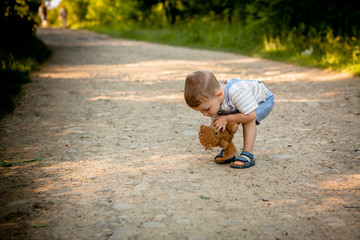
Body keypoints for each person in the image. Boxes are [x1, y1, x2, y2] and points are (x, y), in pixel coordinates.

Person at [184, 70, 274, 169]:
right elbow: (218, 127)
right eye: (200, 111)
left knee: (247, 120)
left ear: (218, 95)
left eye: (206, 109)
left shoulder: (236, 92)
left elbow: (250, 115)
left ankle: (248, 153)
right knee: (222, 121)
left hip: (263, 101)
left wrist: (227, 118)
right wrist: (213, 139)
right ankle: (229, 150)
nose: (205, 114)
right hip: (240, 104)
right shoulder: (214, 101)